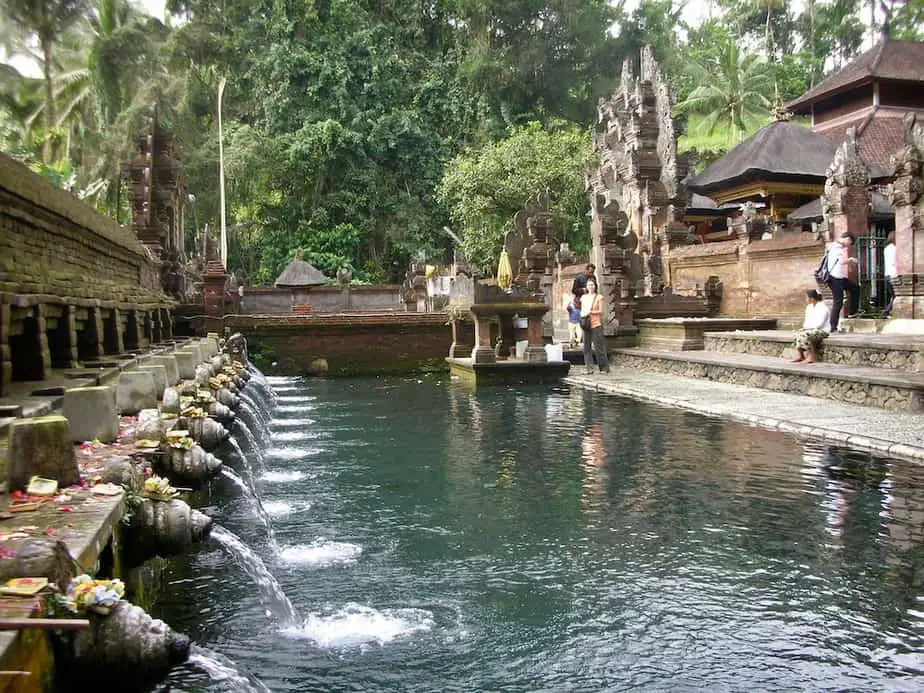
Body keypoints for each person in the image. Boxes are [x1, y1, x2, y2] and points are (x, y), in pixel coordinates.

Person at [824, 231, 859, 332]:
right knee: (838, 301)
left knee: (855, 287)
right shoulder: (837, 247)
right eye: (850, 243)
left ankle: (853, 311)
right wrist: (851, 260)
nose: (849, 245)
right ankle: (833, 327)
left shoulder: (837, 246)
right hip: (834, 278)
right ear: (847, 239)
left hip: (839, 277)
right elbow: (841, 261)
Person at [792, 289, 831, 364]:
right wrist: (804, 328)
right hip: (810, 329)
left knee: (805, 335)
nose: (806, 299)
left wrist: (808, 328)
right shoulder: (809, 307)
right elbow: (807, 321)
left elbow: (820, 324)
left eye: (807, 297)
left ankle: (811, 356)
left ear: (812, 298)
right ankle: (800, 355)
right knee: (796, 334)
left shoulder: (823, 308)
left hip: (822, 330)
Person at [580, 278, 610, 374]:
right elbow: (582, 309)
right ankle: (589, 368)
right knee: (586, 347)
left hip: (596, 324)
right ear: (586, 286)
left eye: (592, 285)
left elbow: (600, 311)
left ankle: (604, 367)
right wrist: (583, 314)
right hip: (586, 324)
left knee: (599, 347)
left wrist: (591, 312)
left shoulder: (599, 297)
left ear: (595, 286)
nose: (591, 287)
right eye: (589, 285)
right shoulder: (583, 297)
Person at [882, 231, 896, 318]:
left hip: (889, 274)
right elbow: (894, 261)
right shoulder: (892, 248)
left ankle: (887, 312)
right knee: (896, 295)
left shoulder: (888, 248)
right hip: (892, 274)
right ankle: (886, 312)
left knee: (894, 295)